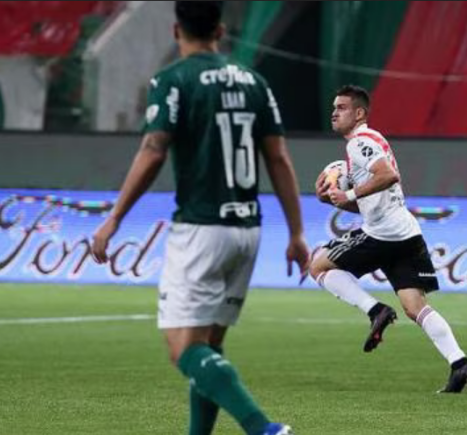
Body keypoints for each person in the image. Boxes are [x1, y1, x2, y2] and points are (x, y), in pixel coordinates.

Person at [90, 2, 309, 434]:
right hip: (248, 231)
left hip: (201, 229)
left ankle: (263, 428)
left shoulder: (174, 80)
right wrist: (297, 231)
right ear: (221, 30)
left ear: (176, 30)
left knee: (182, 350)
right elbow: (278, 158)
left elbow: (154, 150)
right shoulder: (255, 82)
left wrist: (114, 218)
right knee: (209, 348)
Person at [310, 84, 467, 393]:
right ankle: (460, 364)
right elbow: (372, 196)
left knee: (317, 266)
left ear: (359, 113)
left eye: (342, 107)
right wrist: (336, 201)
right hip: (405, 233)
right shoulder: (370, 142)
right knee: (416, 307)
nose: (334, 111)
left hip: (383, 235)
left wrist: (345, 191)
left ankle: (376, 311)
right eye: (334, 106)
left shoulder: (359, 142)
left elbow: (388, 176)